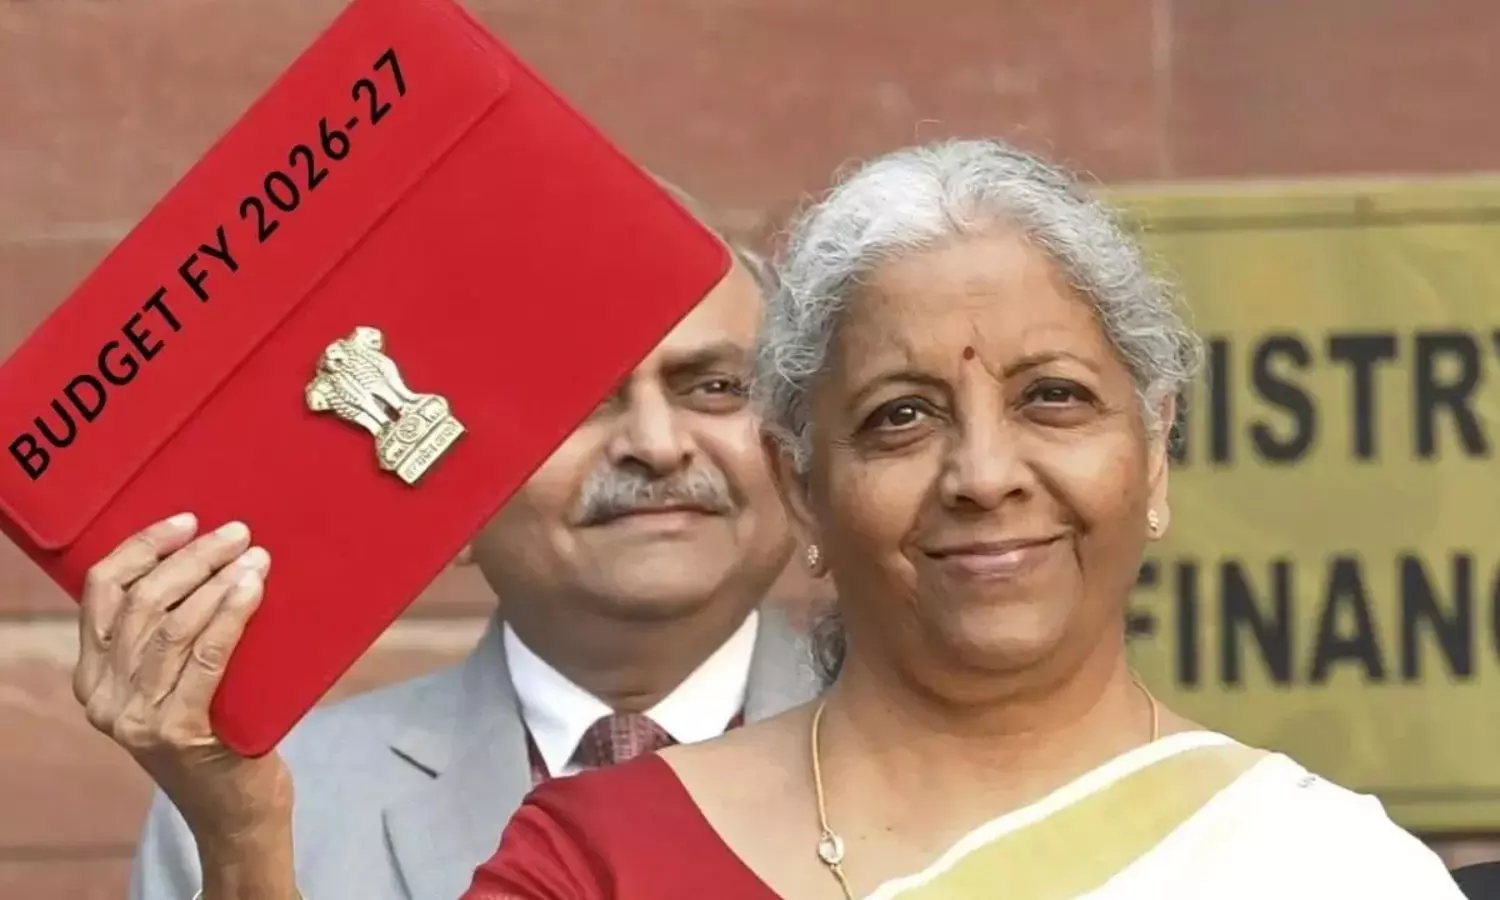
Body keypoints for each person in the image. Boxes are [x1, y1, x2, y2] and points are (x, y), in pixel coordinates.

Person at [462, 139, 1466, 899]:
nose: (984, 476)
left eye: (1053, 398)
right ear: (802, 485)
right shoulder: (602, 864)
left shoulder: (1324, 867)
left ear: (1155, 449)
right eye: (901, 416)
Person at [72, 184, 825, 900]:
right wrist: (243, 849)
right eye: (574, 398)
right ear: (449, 492)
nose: (657, 445)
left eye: (716, 388)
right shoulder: (250, 811)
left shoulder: (899, 741)